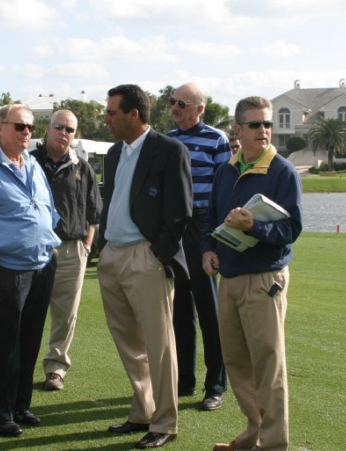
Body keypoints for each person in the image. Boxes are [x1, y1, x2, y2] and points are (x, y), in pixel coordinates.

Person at [201, 96, 302, 451]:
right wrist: (208, 250)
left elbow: (291, 231)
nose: (264, 131)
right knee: (237, 361)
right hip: (228, 277)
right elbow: (210, 218)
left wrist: (254, 225)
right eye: (256, 124)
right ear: (239, 129)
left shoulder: (282, 171)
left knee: (268, 364)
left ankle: (273, 444)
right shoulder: (226, 170)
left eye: (268, 124)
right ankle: (253, 433)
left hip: (265, 280)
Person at [98, 84, 192, 450]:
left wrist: (157, 253)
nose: (106, 119)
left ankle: (165, 423)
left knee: (159, 345)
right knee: (128, 342)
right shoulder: (111, 153)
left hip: (146, 256)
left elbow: (181, 210)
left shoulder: (169, 150)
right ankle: (142, 411)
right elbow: (110, 201)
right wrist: (103, 246)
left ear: (133, 115)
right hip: (112, 256)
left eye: (111, 113)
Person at [0, 104, 61, 438]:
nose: (27, 132)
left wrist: (50, 238)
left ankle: (20, 404)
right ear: (0, 128)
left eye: (31, 127)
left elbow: (47, 206)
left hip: (42, 262)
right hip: (6, 266)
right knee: (6, 339)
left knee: (30, 336)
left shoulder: (32, 163)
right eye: (19, 126)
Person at [166, 82, 230, 409]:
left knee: (209, 310)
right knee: (179, 311)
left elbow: (226, 190)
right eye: (173, 102)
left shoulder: (216, 140)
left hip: (205, 225)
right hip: (176, 227)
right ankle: (183, 381)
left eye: (182, 103)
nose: (175, 107)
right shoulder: (168, 140)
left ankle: (216, 385)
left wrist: (215, 238)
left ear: (199, 109)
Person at [31, 110, 102, 392]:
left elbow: (93, 212)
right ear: (48, 129)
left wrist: (86, 245)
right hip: (33, 247)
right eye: (59, 127)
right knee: (25, 311)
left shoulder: (82, 167)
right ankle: (14, 368)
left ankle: (56, 368)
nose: (64, 133)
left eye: (69, 130)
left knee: (65, 315)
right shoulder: (28, 162)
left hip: (72, 250)